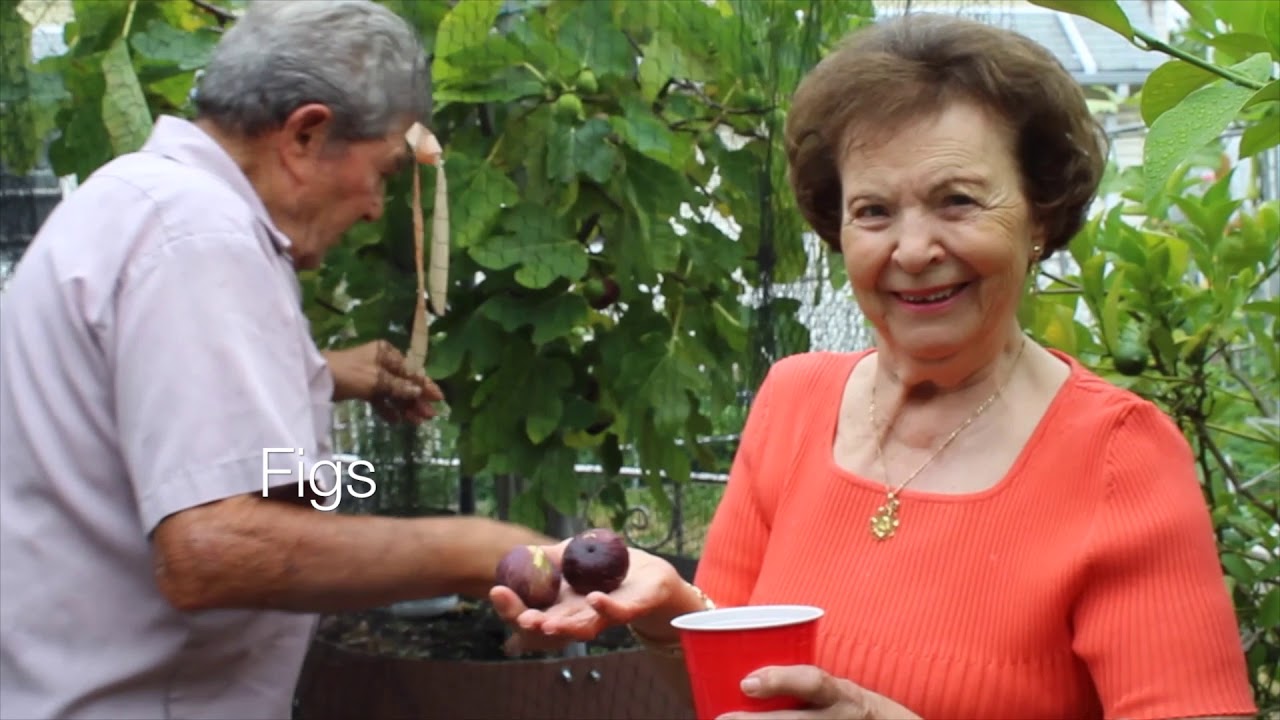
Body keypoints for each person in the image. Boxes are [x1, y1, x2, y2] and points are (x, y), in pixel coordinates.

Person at [491, 13, 1258, 719]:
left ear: (1041, 215)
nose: (913, 250)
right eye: (874, 211)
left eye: (957, 200)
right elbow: (731, 702)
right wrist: (669, 623)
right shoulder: (794, 401)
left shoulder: (1118, 458)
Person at [0, 2, 551, 718]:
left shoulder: (133, 200)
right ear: (306, 134)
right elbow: (213, 549)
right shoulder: (200, 237)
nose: (374, 206)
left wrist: (317, 374)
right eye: (382, 171)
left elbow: (132, 406)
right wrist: (481, 550)